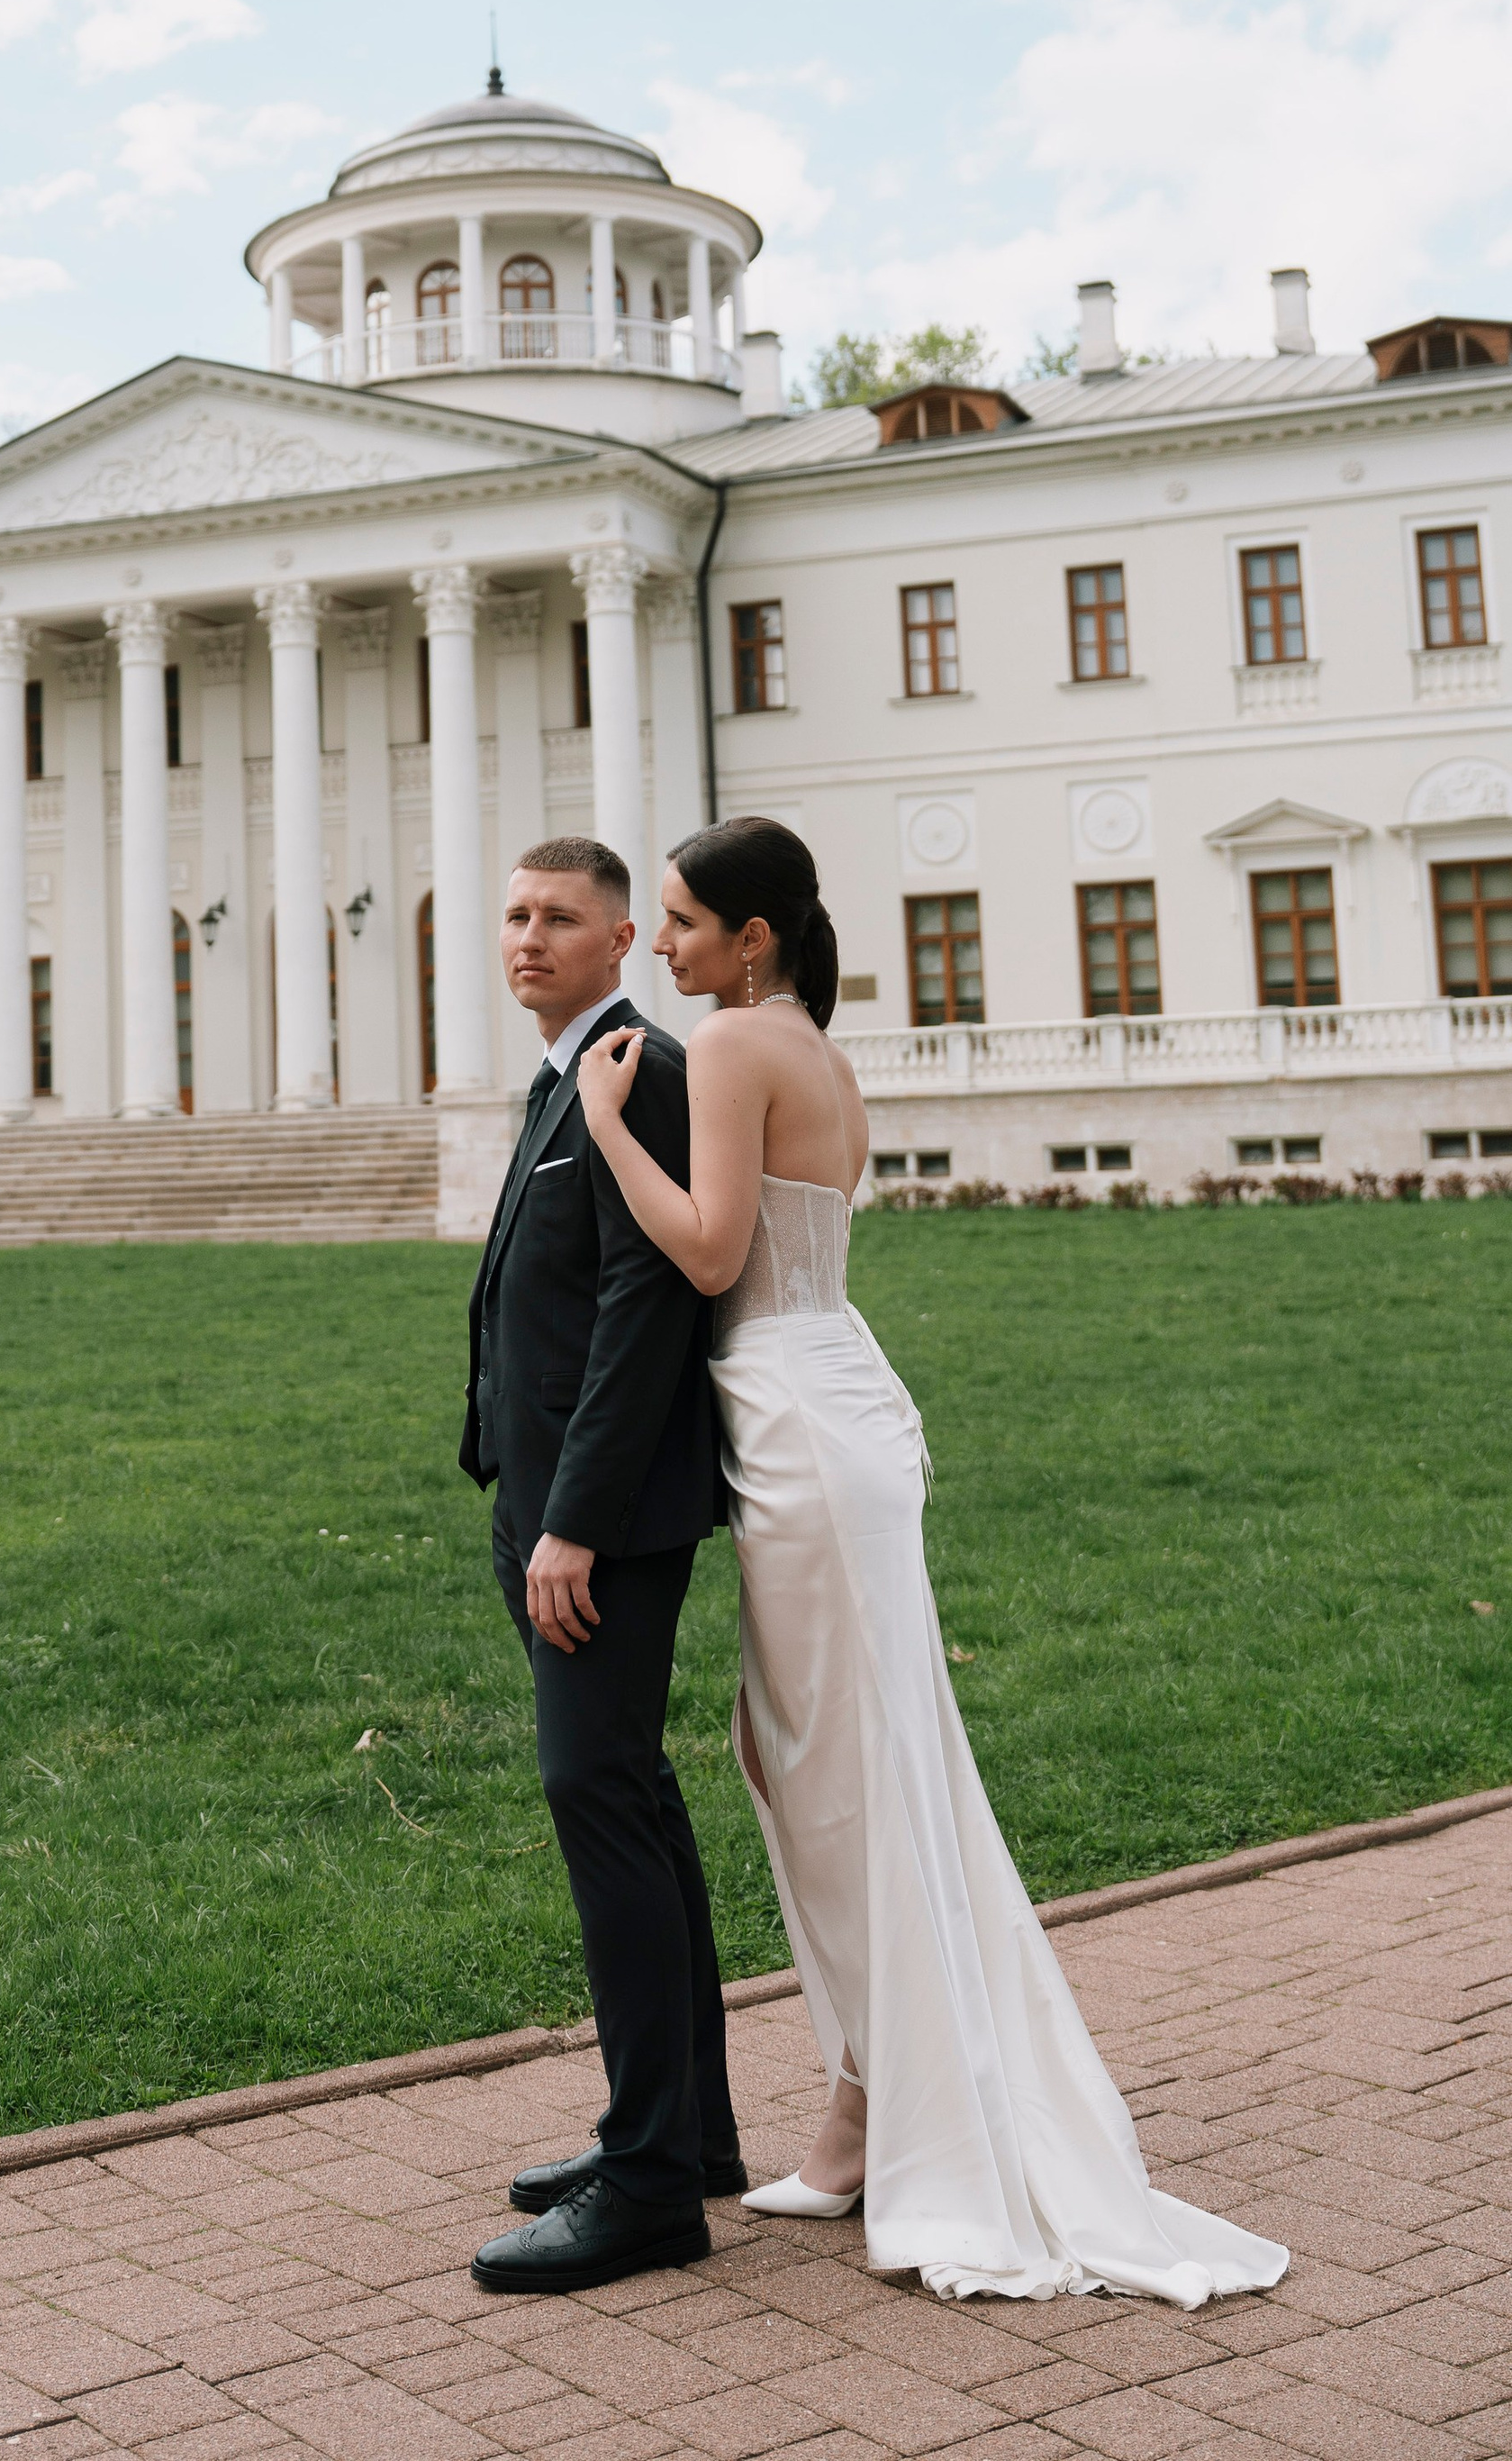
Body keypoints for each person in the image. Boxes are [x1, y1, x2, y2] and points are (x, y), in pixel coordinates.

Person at [574, 815, 1290, 2308]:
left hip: (797, 1421)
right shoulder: (823, 1051)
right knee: (819, 1763)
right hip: (837, 1401)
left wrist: (600, 1126)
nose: (662, 944)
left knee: (836, 1776)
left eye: (686, 923)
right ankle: (860, 2102)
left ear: (749, 940)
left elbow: (711, 1255)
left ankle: (897, 2116)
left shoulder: (735, 1050)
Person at [461, 838, 747, 2296]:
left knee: (597, 1797)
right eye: (513, 914)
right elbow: (533, 1283)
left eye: (558, 917)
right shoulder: (566, 1072)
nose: (526, 936)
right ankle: (684, 2138)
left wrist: (566, 1519)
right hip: (551, 1502)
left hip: (607, 1520)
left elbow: (647, 1310)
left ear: (622, 937)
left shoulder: (648, 1070)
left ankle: (647, 2189)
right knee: (632, 1791)